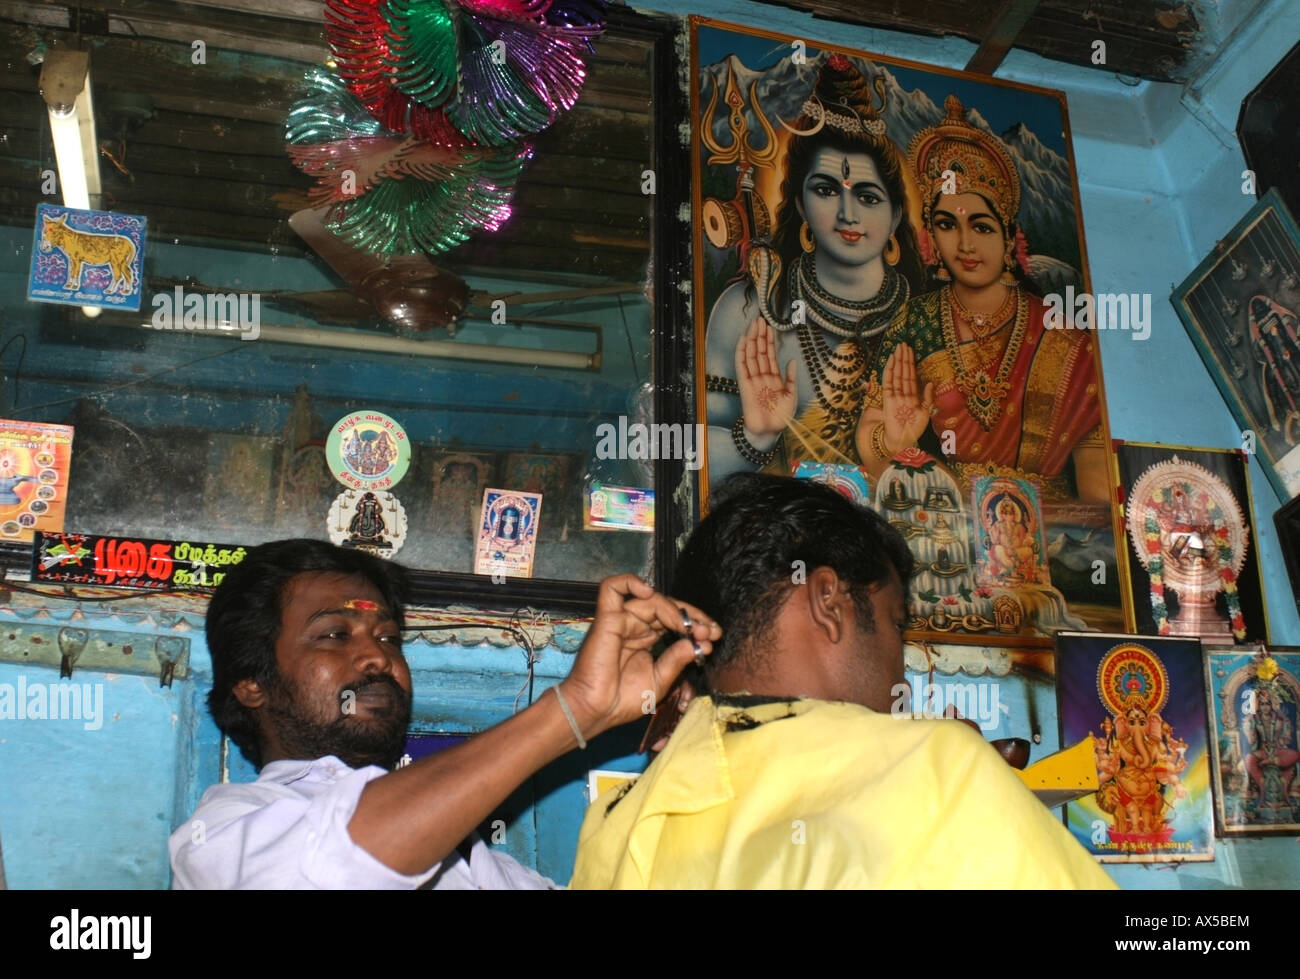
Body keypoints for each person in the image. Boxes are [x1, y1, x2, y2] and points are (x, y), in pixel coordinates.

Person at [570, 474, 1115, 889]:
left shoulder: (621, 820)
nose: (900, 671)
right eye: (895, 623)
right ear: (829, 602)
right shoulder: (937, 768)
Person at [169, 539, 719, 889]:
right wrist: (575, 709)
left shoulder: (473, 861)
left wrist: (691, 753)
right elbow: (344, 862)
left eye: (388, 636)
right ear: (252, 684)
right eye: (335, 635)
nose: (377, 655)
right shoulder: (222, 838)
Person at [854, 95, 1105, 501]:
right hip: (948, 515)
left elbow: (1097, 493)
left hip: (1052, 532)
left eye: (983, 227)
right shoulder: (915, 320)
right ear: (932, 238)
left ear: (1009, 239)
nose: (965, 244)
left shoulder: (1064, 336)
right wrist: (895, 444)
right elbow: (873, 439)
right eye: (947, 225)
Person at [703, 55, 924, 484]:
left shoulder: (927, 319)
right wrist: (757, 434)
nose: (847, 214)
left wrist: (900, 451)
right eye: (825, 190)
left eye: (868, 196)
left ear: (897, 214)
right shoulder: (752, 308)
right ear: (800, 203)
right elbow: (693, 470)